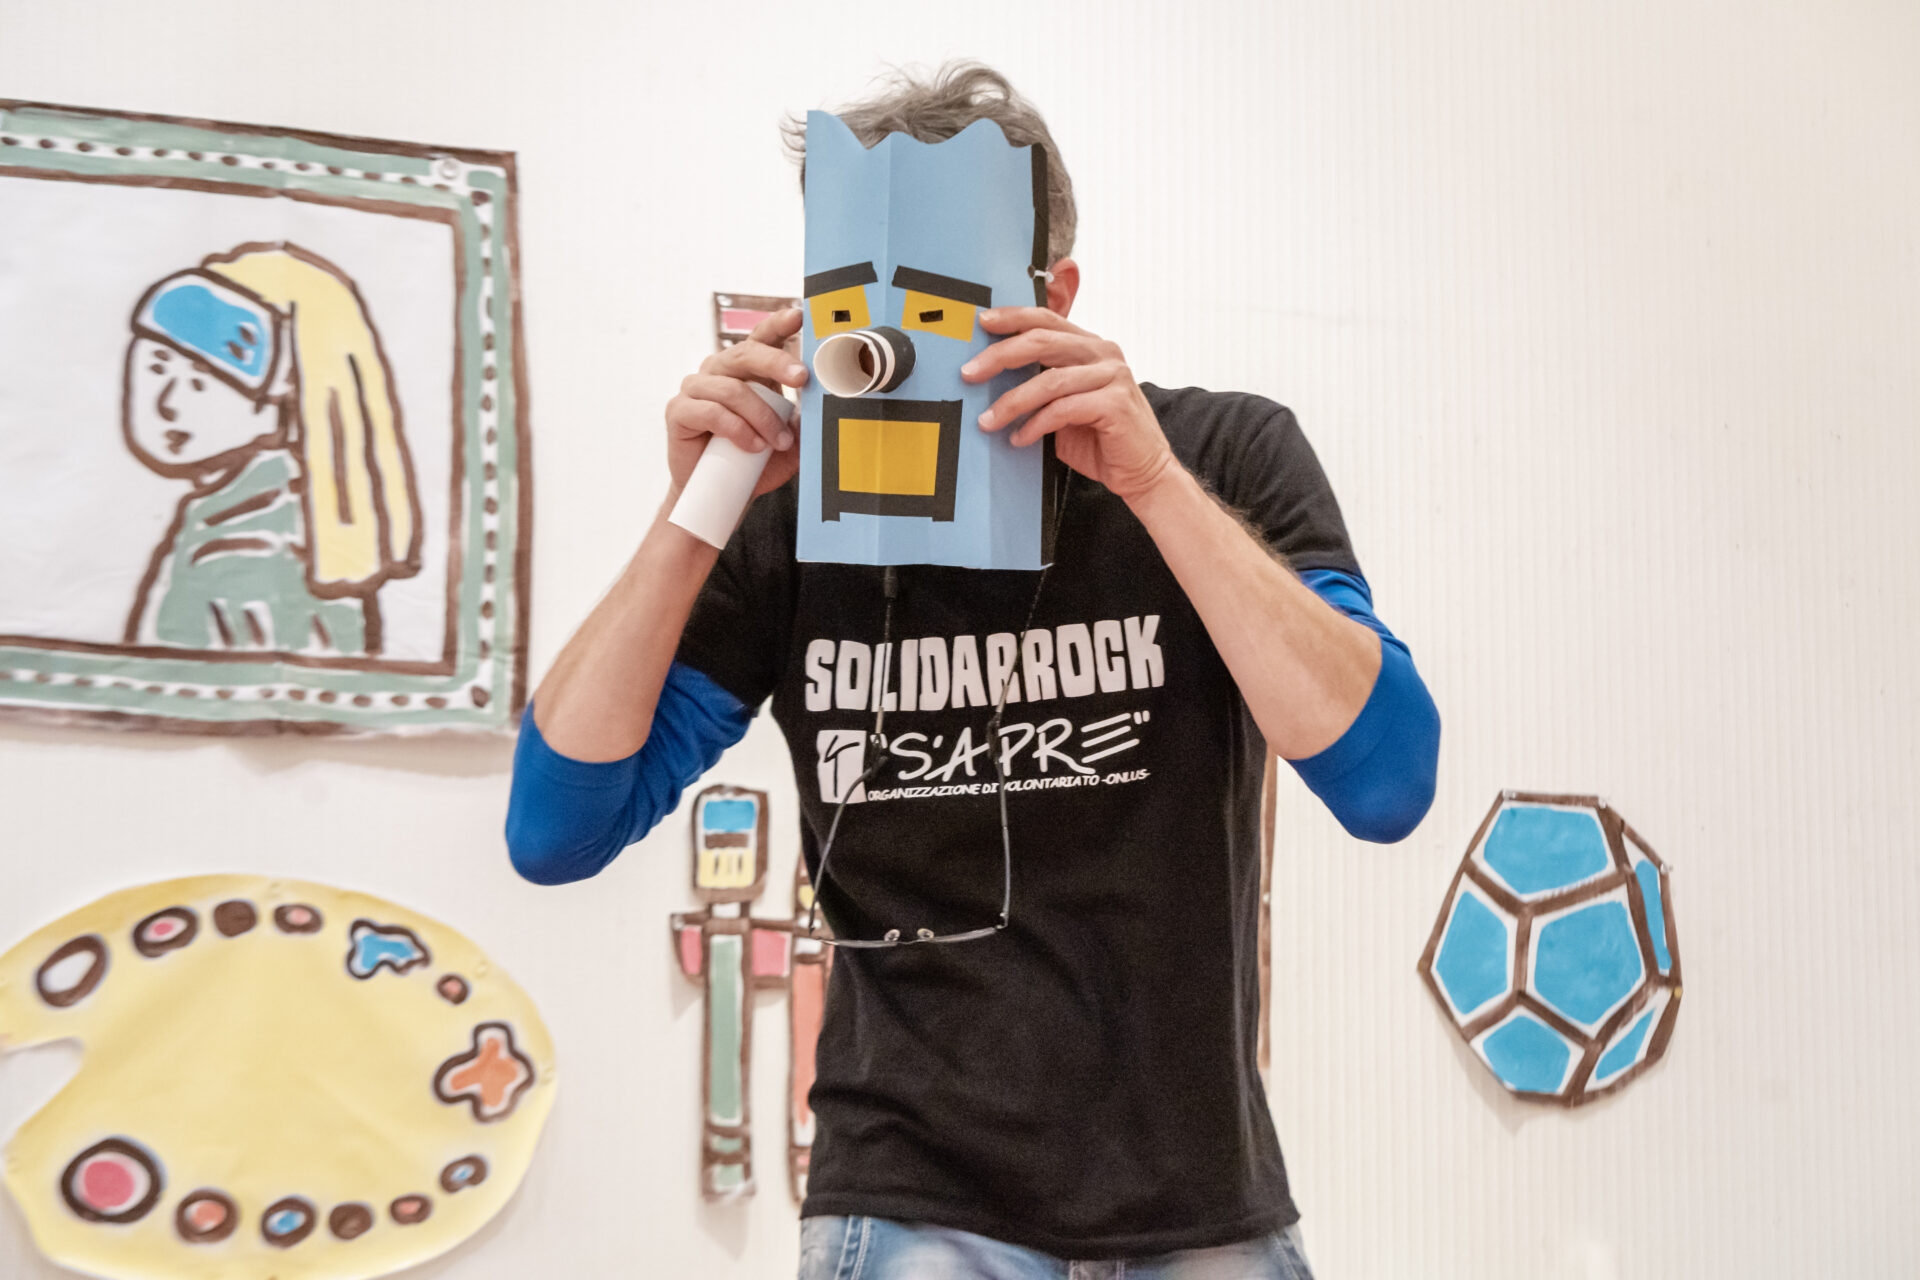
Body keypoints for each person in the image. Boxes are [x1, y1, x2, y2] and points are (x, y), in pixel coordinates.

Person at [508, 63, 1440, 1280]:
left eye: (946, 309)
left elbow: (1388, 781)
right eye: (853, 304)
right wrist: (701, 507)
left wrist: (1153, 486)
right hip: (912, 1202)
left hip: (1198, 1198)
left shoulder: (1219, 455)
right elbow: (557, 827)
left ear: (1054, 296)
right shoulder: (788, 525)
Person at [123, 242, 421, 655]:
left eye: (200, 382)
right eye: (157, 366)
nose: (167, 403)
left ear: (277, 401)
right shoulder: (233, 511)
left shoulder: (252, 541)